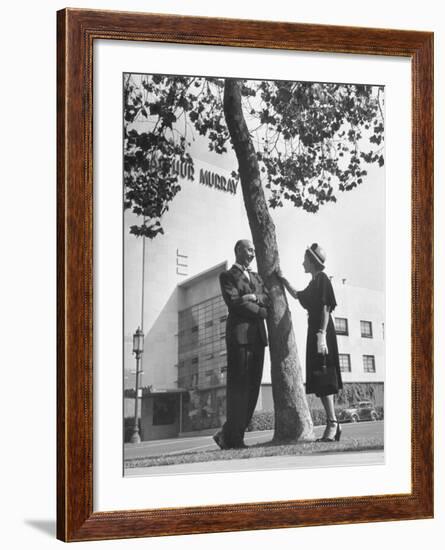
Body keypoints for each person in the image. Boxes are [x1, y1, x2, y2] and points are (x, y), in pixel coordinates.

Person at [276, 243, 343, 442]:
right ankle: (333, 424)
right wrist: (284, 280)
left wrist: (321, 334)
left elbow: (325, 308)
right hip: (314, 331)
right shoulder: (314, 283)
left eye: (305, 259)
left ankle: (333, 423)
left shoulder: (322, 279)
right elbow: (298, 295)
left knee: (325, 375)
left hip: (321, 332)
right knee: (320, 377)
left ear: (312, 262)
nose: (302, 262)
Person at [213, 239, 270, 449]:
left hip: (258, 339)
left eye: (254, 249)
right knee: (239, 388)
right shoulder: (227, 276)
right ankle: (234, 439)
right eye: (249, 249)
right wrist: (262, 311)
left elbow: (268, 298)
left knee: (253, 389)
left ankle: (227, 434)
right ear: (238, 250)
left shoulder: (256, 276)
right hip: (240, 338)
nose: (253, 253)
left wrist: (254, 296)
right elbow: (235, 302)